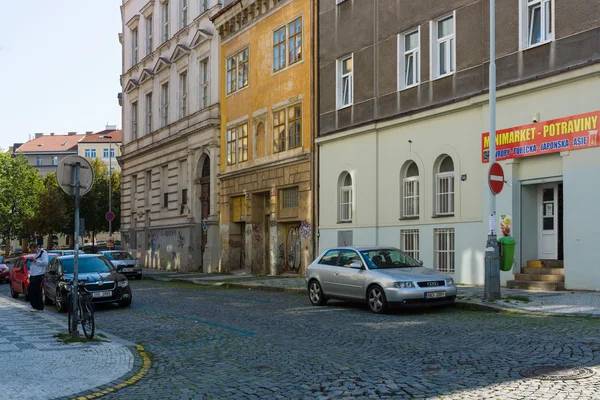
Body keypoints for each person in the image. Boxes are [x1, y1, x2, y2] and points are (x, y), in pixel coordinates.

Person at [26, 242, 48, 312]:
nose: (32, 251)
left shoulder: (43, 253)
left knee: (35, 290)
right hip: (33, 274)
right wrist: (30, 260)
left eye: (33, 250)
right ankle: (36, 306)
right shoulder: (35, 254)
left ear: (37, 247)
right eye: (31, 250)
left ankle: (38, 306)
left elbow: (45, 263)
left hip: (39, 274)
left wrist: (35, 260)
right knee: (31, 290)